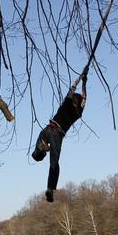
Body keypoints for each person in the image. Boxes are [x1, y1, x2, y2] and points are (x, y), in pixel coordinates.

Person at [32, 73, 87, 202]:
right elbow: (84, 98)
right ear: (78, 103)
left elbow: (73, 87)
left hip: (47, 129)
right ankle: (50, 189)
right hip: (57, 134)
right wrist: (85, 82)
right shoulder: (77, 113)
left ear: (72, 98)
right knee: (54, 163)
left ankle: (41, 150)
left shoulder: (66, 102)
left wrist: (81, 78)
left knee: (36, 156)